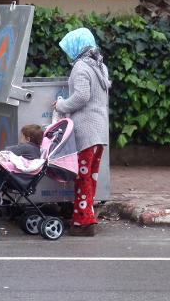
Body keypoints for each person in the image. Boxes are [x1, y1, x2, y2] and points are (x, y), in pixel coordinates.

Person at [54, 27, 110, 237]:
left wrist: (61, 105)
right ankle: (81, 218)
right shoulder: (100, 65)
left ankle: (85, 223)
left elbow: (81, 97)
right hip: (99, 130)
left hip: (86, 131)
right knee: (90, 177)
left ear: (76, 46)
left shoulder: (80, 66)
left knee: (82, 178)